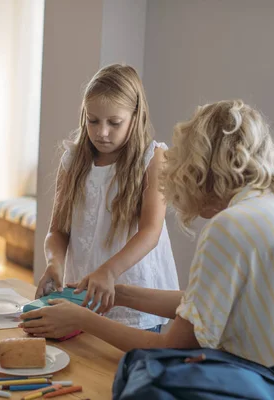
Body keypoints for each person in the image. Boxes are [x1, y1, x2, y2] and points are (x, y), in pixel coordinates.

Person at [22, 100, 274, 399]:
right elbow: (199, 305)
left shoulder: (230, 228)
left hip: (271, 390)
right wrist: (119, 293)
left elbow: (168, 346)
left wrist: (83, 318)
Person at [34, 64, 179, 332]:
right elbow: (57, 230)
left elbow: (150, 232)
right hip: (83, 294)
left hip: (134, 299)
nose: (102, 132)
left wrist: (109, 271)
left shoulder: (152, 159)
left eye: (114, 123)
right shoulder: (73, 161)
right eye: (93, 121)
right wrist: (54, 265)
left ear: (135, 117)